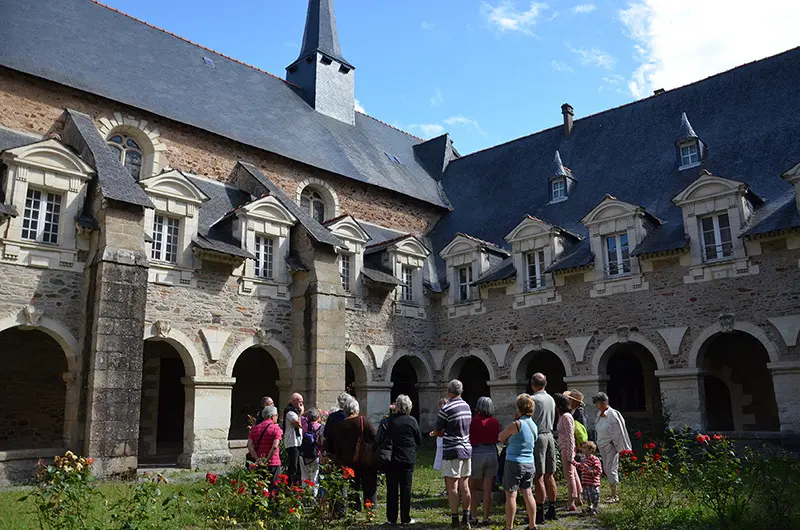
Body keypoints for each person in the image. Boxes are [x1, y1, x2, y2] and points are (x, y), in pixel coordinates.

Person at [434, 379, 473, 530]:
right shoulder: (467, 406)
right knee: (465, 485)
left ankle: (455, 519)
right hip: (466, 448)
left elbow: (438, 430)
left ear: (449, 392)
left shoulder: (447, 408)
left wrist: (442, 433)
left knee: (452, 486)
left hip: (452, 449)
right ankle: (467, 518)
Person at [329, 395, 378, 508]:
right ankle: (370, 505)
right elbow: (374, 437)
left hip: (348, 459)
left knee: (352, 484)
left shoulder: (341, 425)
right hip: (364, 458)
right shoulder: (362, 420)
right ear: (356, 409)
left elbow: (337, 443)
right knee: (368, 483)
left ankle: (354, 507)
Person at [498, 394, 539, 530]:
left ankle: (508, 527)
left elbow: (500, 437)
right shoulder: (534, 425)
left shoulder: (516, 424)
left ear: (519, 408)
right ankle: (532, 525)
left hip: (514, 462)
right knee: (528, 493)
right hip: (530, 462)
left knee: (511, 494)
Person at [385, 394, 421, 526]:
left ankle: (391, 518)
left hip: (393, 458)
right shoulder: (412, 421)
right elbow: (418, 440)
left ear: (397, 407)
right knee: (406, 489)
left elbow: (386, 438)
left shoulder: (391, 421)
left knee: (392, 489)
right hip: (407, 458)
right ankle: (405, 518)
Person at [592, 392, 631, 503]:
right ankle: (612, 493)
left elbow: (618, 432)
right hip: (602, 444)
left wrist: (618, 446)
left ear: (603, 403)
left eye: (597, 403)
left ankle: (615, 495)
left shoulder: (613, 414)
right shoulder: (600, 414)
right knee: (606, 468)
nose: (596, 406)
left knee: (611, 469)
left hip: (610, 445)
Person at [530, 373, 557, 524]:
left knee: (538, 475)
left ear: (533, 384)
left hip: (538, 436)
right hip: (550, 435)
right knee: (549, 474)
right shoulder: (551, 399)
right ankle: (552, 507)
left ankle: (539, 511)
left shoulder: (533, 399)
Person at [469, 396, 500, 527]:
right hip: (492, 452)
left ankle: (473, 516)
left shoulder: (473, 421)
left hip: (477, 452)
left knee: (473, 487)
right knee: (488, 489)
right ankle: (486, 517)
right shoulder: (495, 421)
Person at [554, 393, 581, 511]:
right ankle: (578, 498)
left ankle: (571, 501)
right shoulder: (563, 416)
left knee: (569, 475)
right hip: (565, 447)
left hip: (567, 448)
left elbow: (570, 436)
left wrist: (570, 454)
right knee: (573, 474)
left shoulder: (566, 416)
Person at [247, 405, 282, 486]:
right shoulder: (276, 428)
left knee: (260, 488)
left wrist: (258, 459)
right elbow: (274, 446)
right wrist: (267, 460)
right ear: (273, 416)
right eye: (276, 415)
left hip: (259, 463)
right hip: (273, 462)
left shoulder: (255, 428)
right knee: (273, 489)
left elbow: (249, 446)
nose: (277, 417)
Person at [572, 441, 602, 515]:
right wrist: (573, 462)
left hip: (593, 482)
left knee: (594, 496)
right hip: (586, 482)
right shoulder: (584, 459)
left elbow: (599, 470)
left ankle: (595, 508)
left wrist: (589, 470)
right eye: (583, 448)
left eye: (585, 448)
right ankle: (590, 507)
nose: (582, 449)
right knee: (587, 496)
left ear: (590, 450)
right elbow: (580, 466)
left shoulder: (594, 459)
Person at [283, 392, 304, 485]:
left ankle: (297, 485)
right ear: (294, 401)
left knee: (299, 467)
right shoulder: (290, 411)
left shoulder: (295, 411)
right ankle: (290, 486)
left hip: (298, 442)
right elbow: (298, 424)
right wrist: (301, 413)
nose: (301, 404)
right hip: (292, 443)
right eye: (300, 402)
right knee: (293, 467)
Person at [301, 407, 322, 496]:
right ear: (318, 417)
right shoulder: (321, 427)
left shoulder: (303, 424)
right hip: (316, 454)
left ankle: (304, 496)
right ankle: (314, 497)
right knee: (315, 476)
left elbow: (301, 416)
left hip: (303, 453)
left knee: (304, 476)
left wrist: (306, 414)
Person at [431, 398, 448, 472]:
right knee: (439, 450)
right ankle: (439, 467)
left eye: (443, 403)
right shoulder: (440, 413)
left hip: (446, 435)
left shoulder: (448, 412)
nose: (442, 405)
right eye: (440, 404)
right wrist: (434, 432)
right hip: (440, 435)